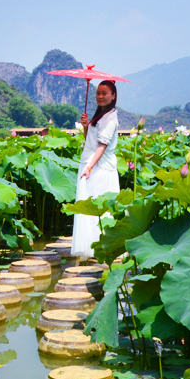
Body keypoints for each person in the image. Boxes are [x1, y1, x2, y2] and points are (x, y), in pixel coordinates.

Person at [71, 80, 119, 258]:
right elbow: (91, 141)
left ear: (113, 96)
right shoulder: (101, 116)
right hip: (90, 164)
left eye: (104, 93)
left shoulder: (110, 119)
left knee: (98, 209)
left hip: (99, 169)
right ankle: (91, 250)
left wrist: (90, 167)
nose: (100, 96)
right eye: (98, 93)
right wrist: (86, 127)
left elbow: (102, 146)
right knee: (89, 209)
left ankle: (99, 249)